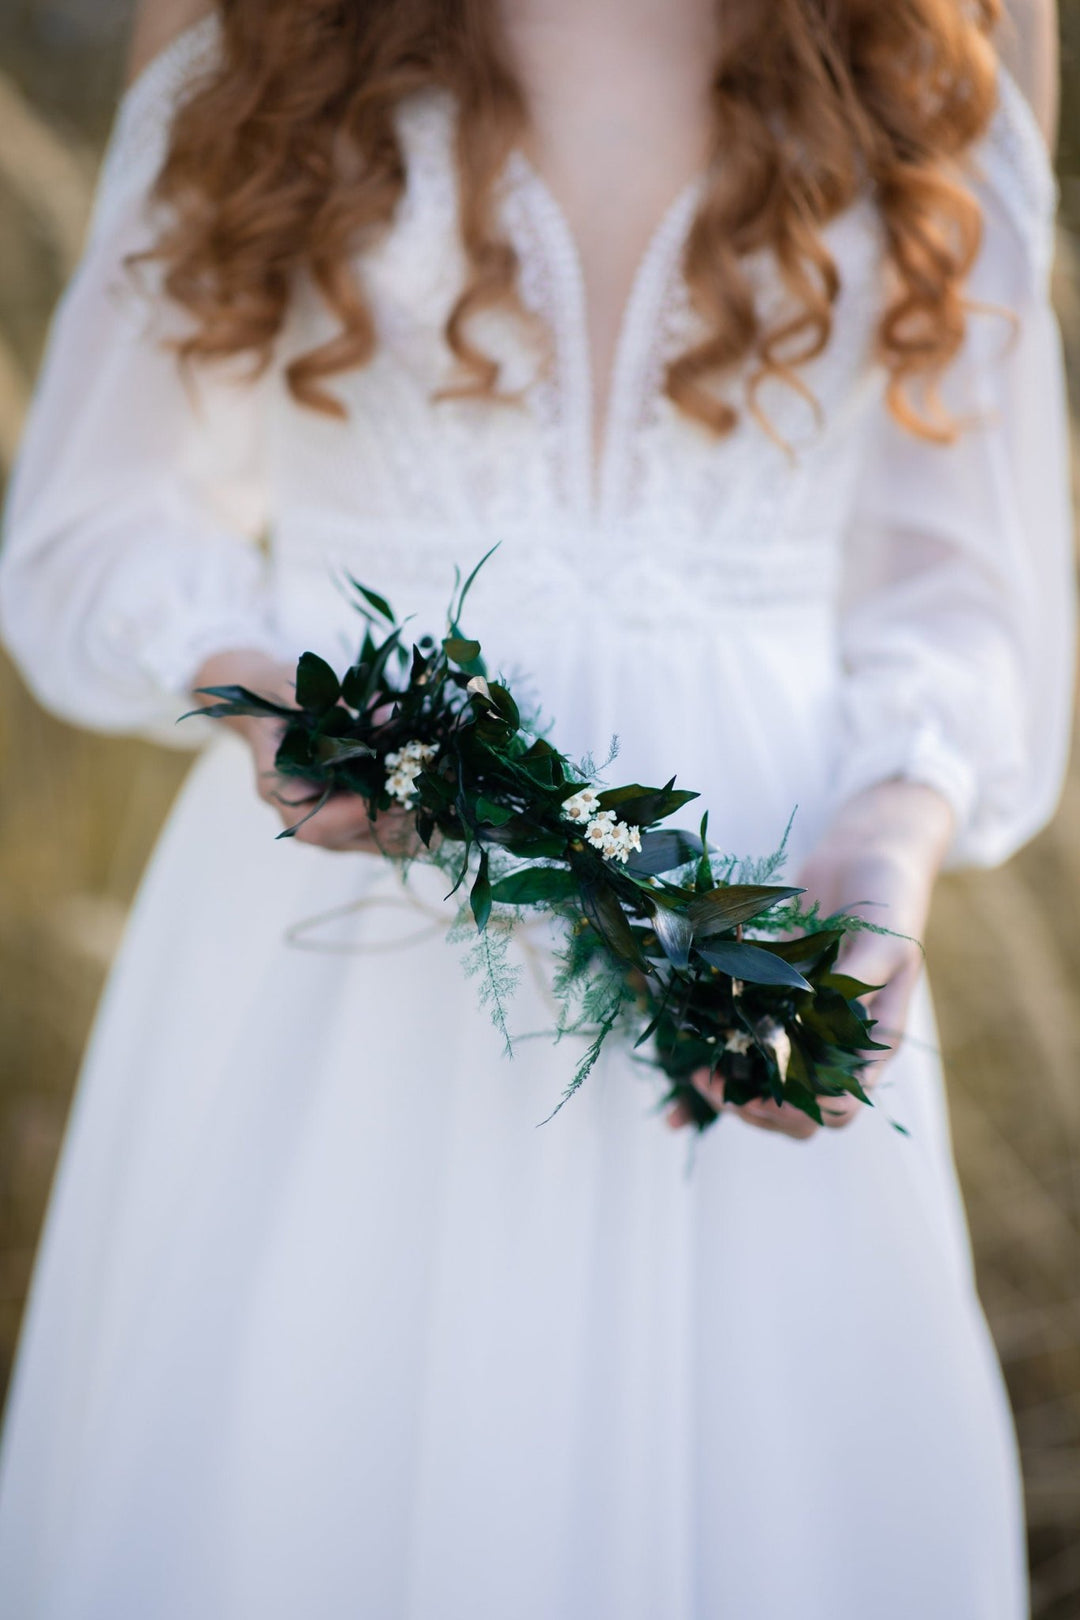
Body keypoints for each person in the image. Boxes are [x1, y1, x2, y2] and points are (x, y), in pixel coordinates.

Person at [0, 0, 1072, 1614]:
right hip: (329, 960)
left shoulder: (932, 47)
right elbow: (93, 526)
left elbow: (969, 595)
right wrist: (248, 682)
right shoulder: (262, 31)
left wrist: (888, 846)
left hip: (752, 937)